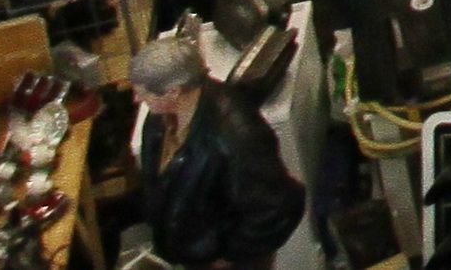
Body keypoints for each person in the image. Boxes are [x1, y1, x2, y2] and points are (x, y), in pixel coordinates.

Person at [111, 32, 306, 270]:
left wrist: (229, 256)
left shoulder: (238, 138)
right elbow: (164, 183)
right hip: (192, 251)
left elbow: (276, 207)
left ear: (173, 91)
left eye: (143, 92)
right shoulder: (161, 118)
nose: (136, 99)